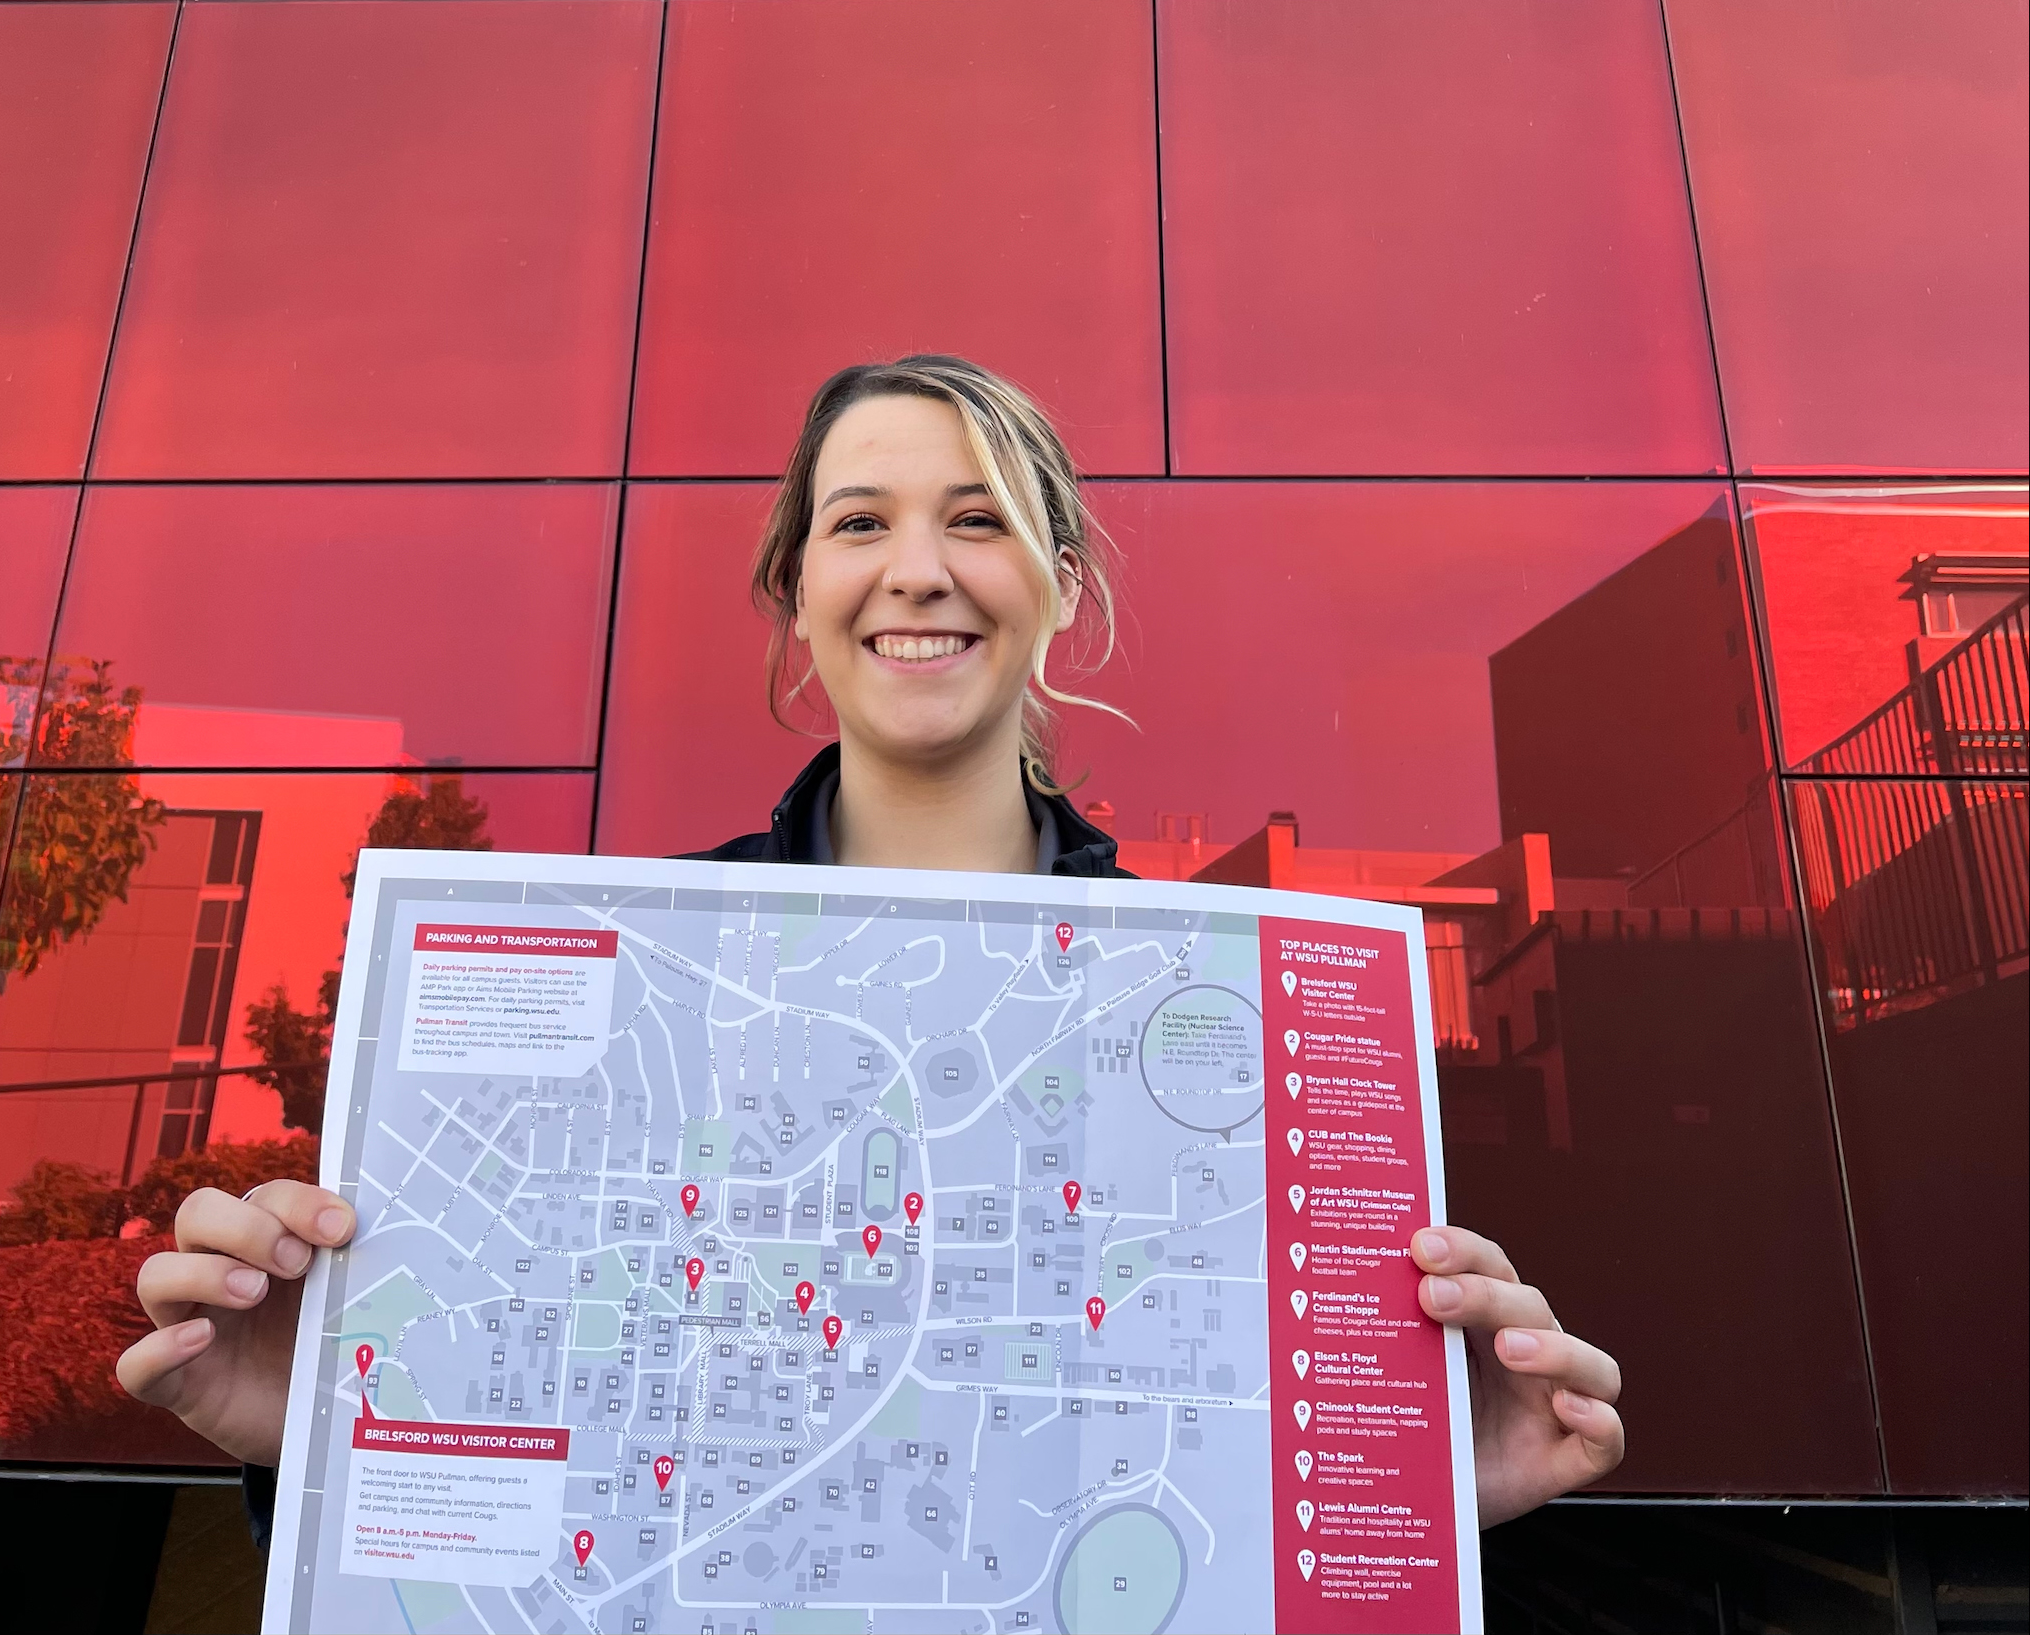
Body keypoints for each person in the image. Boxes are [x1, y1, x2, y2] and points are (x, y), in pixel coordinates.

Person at [117, 354, 1624, 1536]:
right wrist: (311, 1427)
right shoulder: (638, 989)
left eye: (977, 518)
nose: (917, 569)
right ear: (796, 592)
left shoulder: (1229, 1026)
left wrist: (1430, 1495)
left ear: (1060, 589)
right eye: (861, 523)